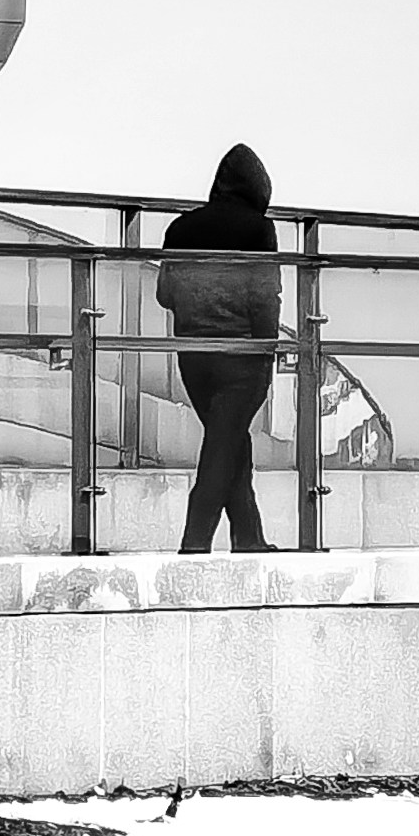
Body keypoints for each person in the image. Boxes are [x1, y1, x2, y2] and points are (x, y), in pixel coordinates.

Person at [155, 141, 281, 555]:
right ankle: (194, 544)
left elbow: (164, 295)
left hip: (193, 357)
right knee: (224, 446)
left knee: (228, 442)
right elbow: (265, 297)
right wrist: (267, 349)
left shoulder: (179, 229)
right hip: (242, 357)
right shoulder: (258, 230)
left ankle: (249, 536)